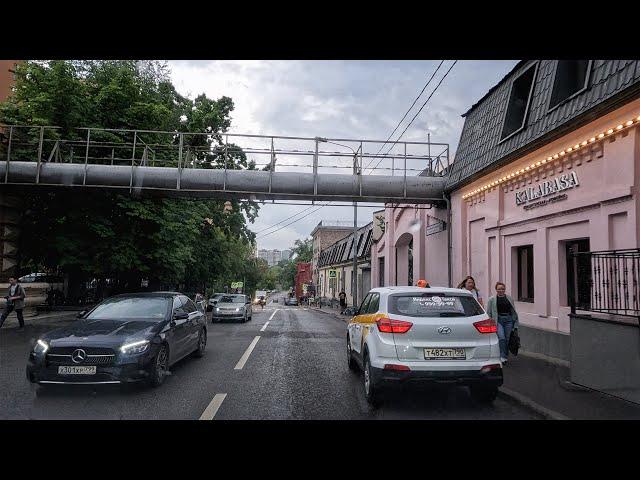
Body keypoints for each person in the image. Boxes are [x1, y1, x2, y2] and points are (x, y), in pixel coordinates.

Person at [486, 282, 519, 364]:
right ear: (496, 289)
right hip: (498, 320)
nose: (501, 290)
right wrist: (490, 323)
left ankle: (505, 356)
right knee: (501, 338)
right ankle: (502, 356)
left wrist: (515, 323)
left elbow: (513, 311)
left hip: (508, 320)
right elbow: (489, 313)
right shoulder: (492, 299)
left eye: (502, 289)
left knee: (507, 339)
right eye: (499, 289)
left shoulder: (509, 298)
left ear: (505, 289)